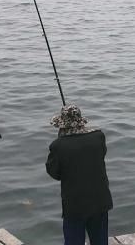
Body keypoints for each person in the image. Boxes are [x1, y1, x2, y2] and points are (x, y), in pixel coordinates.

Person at [46, 104, 113, 245]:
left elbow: (54, 173)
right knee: (100, 241)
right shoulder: (99, 137)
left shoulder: (58, 146)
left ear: (62, 125)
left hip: (75, 206)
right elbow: (100, 155)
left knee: (74, 241)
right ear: (81, 121)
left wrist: (62, 139)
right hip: (100, 200)